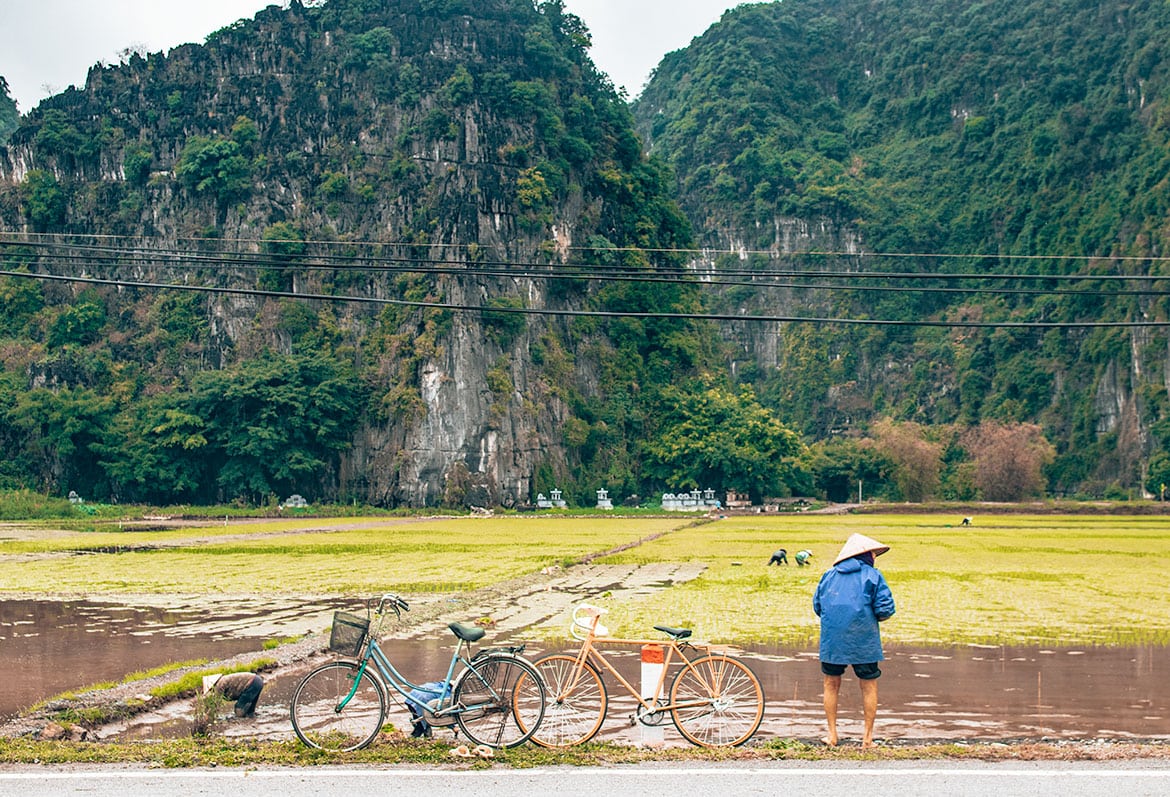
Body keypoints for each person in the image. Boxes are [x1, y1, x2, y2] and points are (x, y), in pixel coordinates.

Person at [812, 533, 895, 748]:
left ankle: (832, 735)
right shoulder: (873, 576)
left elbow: (818, 607)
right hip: (864, 639)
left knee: (831, 683)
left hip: (833, 640)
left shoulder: (828, 576)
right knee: (868, 685)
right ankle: (867, 739)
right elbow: (885, 609)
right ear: (866, 556)